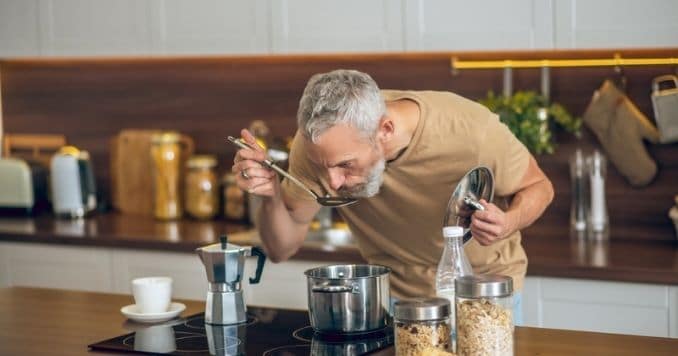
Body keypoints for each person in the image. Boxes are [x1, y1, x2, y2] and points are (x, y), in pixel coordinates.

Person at [232, 69, 554, 324]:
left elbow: (540, 186)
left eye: (346, 165)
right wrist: (270, 194)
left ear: (384, 130)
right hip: (397, 305)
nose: (332, 182)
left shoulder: (471, 131)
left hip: (483, 298)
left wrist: (509, 222)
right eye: (323, 167)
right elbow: (280, 248)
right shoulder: (317, 148)